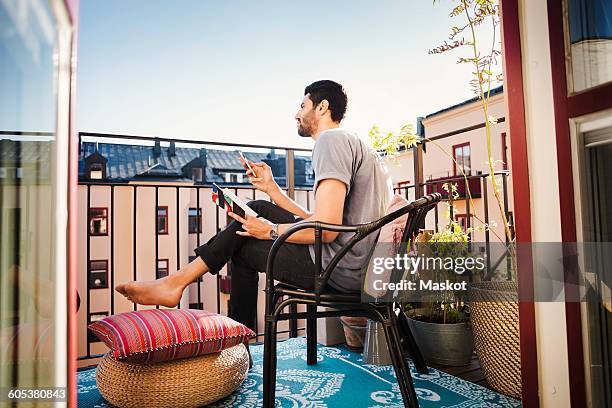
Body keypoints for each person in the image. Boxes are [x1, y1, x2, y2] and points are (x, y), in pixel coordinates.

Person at [116, 80, 393, 331]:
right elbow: (323, 219)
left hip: (339, 269)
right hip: (355, 263)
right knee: (258, 206)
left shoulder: (330, 141)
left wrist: (270, 231)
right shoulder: (357, 145)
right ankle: (180, 286)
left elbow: (327, 231)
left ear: (322, 107)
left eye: (302, 105)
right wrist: (273, 190)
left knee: (243, 247)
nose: (296, 113)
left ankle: (233, 334)